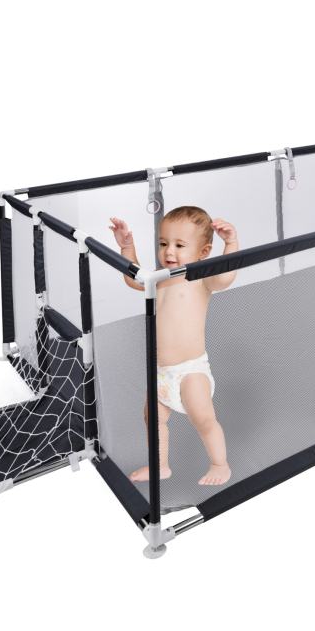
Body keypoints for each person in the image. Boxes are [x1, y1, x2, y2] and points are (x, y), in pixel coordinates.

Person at [109, 206, 238, 485]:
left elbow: (225, 278)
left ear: (203, 252)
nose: (169, 252)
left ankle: (220, 464)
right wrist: (127, 247)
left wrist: (231, 245)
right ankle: (161, 466)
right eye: (163, 243)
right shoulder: (160, 278)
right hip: (161, 373)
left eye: (179, 245)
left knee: (203, 419)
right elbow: (133, 278)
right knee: (153, 419)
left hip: (191, 371)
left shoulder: (200, 278)